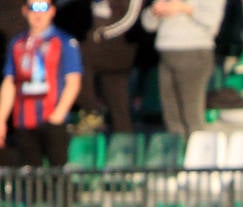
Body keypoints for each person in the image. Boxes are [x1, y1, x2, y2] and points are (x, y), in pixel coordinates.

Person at [0, 0, 82, 168]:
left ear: (52, 11)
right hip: (23, 121)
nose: (38, 14)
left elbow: (73, 82)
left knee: (59, 173)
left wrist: (57, 116)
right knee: (30, 177)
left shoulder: (64, 42)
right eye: (33, 8)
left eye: (43, 8)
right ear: (25, 11)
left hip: (52, 119)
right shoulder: (17, 44)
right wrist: (1, 121)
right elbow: (9, 82)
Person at [141, 0, 224, 137]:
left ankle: (197, 153)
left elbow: (212, 20)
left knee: (191, 113)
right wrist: (154, 11)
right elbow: (148, 24)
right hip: (166, 51)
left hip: (194, 50)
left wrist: (184, 8)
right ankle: (177, 152)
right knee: (171, 114)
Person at [75, 0, 142, 135]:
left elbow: (131, 18)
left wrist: (104, 32)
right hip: (93, 44)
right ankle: (91, 112)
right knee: (77, 66)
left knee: (118, 104)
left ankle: (124, 145)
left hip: (118, 51)